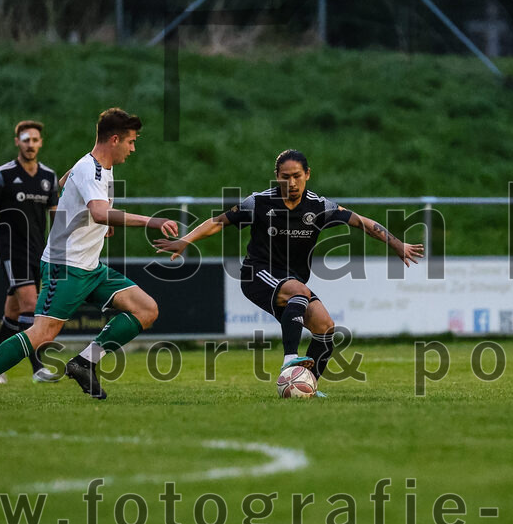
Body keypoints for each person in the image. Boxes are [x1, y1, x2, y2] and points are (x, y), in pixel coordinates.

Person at [0, 108, 178, 403]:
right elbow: (97, 211)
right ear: (115, 139)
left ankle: (84, 363)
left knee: (146, 309)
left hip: (91, 268)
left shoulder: (97, 167)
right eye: (131, 142)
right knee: (42, 333)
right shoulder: (90, 168)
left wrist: (95, 218)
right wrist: (151, 221)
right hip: (65, 267)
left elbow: (65, 185)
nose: (133, 149)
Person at [154, 150, 423, 396]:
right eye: (285, 177)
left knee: (325, 328)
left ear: (307, 174)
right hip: (257, 274)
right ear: (276, 177)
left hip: (292, 281)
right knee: (299, 291)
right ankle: (289, 360)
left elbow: (362, 222)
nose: (291, 183)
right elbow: (218, 222)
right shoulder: (258, 202)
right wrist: (185, 240)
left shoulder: (319, 207)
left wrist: (397, 244)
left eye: (297, 176)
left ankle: (307, 384)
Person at [0, 120, 62, 383]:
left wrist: (57, 251)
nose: (30, 145)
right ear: (17, 142)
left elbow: (56, 220)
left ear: (41, 143)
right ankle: (37, 368)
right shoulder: (3, 175)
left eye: (35, 140)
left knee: (13, 313)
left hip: (39, 252)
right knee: (31, 307)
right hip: (13, 250)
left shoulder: (48, 177)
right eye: (26, 140)